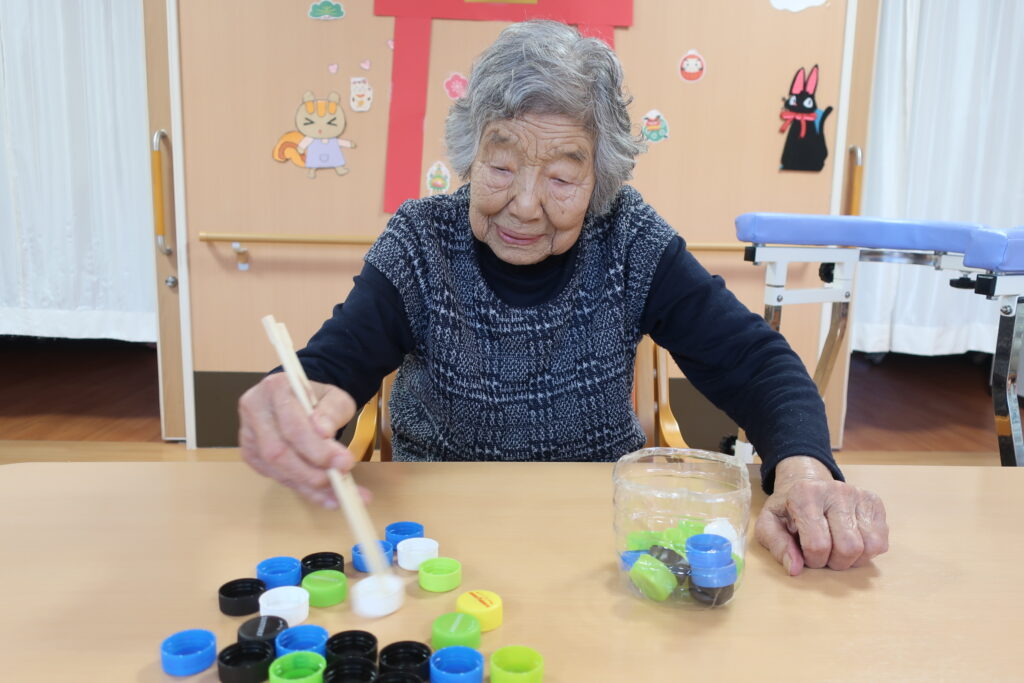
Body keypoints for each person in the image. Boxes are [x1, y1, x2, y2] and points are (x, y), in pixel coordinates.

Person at [239, 20, 888, 576]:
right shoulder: (420, 239)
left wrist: (804, 471)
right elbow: (335, 362)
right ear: (469, 155)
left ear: (600, 179)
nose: (524, 204)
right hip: (435, 538)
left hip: (598, 542)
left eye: (560, 177)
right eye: (500, 167)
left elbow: (753, 361)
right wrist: (297, 404)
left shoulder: (628, 236)